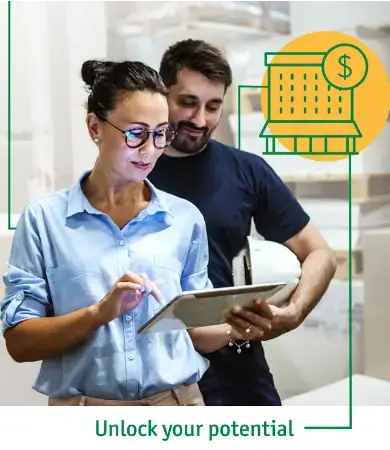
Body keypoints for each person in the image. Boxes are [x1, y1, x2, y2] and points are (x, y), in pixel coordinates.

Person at [0, 59, 264, 407]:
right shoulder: (45, 220)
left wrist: (235, 325)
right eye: (136, 133)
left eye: (160, 134)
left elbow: (197, 332)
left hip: (176, 407)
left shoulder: (184, 219)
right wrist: (99, 313)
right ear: (95, 127)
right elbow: (20, 343)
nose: (150, 149)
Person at [148, 39, 337, 406]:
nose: (200, 120)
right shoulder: (132, 173)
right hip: (157, 380)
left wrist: (294, 313)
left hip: (238, 370)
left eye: (213, 106)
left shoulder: (247, 170)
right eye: (187, 102)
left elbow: (320, 254)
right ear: (162, 93)